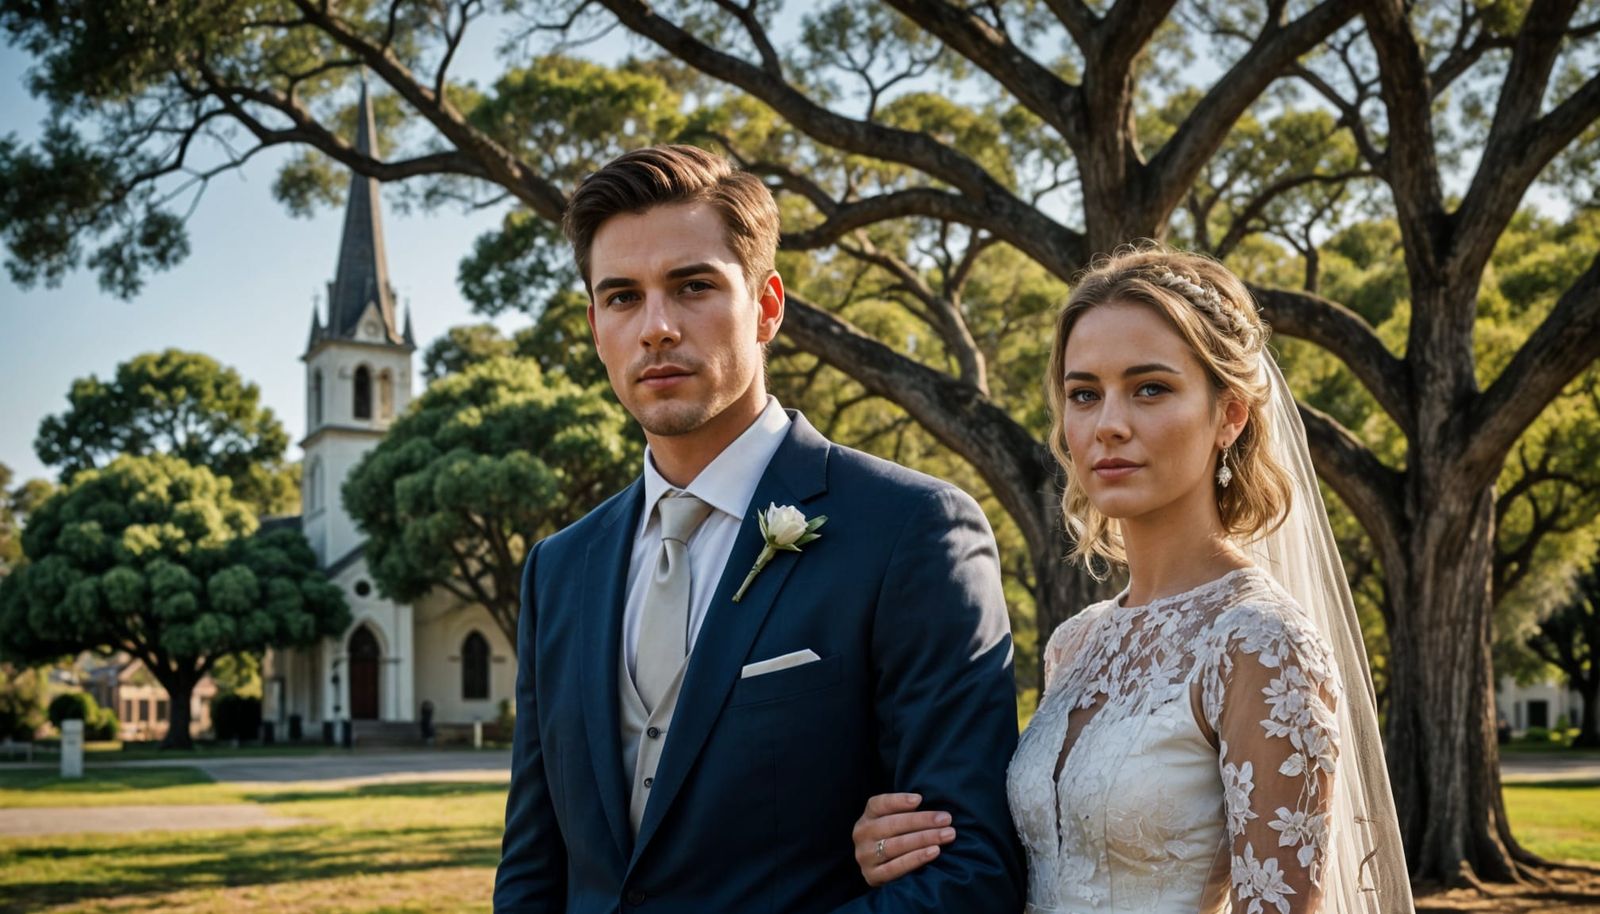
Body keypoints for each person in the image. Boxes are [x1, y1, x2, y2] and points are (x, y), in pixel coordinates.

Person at [492, 144, 1026, 913]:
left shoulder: (911, 531)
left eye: (693, 286)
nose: (657, 328)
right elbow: (534, 870)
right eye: (622, 298)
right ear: (595, 325)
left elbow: (969, 871)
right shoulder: (559, 567)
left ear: (768, 306)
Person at [851, 248, 1412, 913]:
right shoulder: (1076, 643)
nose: (1108, 425)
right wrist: (894, 846)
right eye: (1084, 393)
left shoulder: (1260, 643)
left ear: (1229, 415)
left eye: (1150, 388)